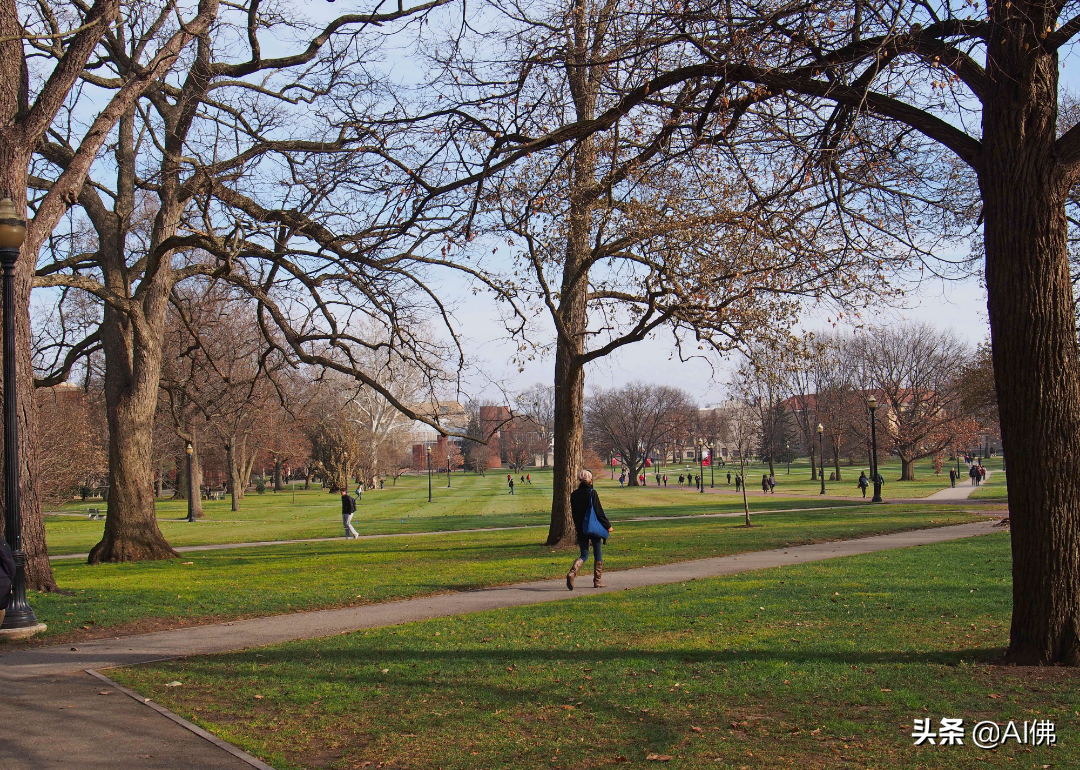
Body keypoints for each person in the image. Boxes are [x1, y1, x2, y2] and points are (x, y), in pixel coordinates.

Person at [565, 469, 612, 590]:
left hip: (581, 528)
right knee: (598, 553)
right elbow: (599, 512)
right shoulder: (592, 493)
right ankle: (597, 581)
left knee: (584, 554)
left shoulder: (574, 494)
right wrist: (608, 526)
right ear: (590, 480)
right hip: (593, 527)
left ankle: (572, 572)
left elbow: (574, 513)